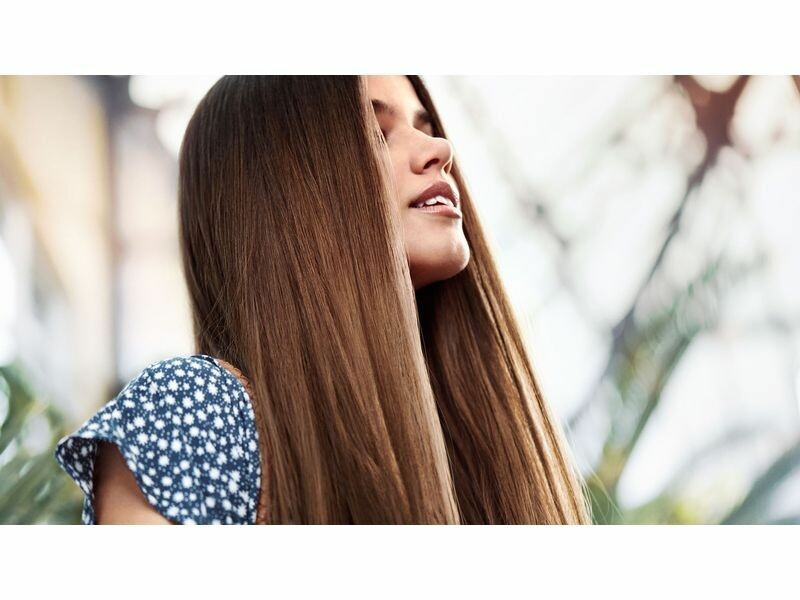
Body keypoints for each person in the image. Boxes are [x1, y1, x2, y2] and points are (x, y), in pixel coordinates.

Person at [55, 75, 592, 525]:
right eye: (376, 134)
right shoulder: (197, 411)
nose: (441, 151)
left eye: (425, 128)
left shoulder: (482, 449)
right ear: (284, 197)